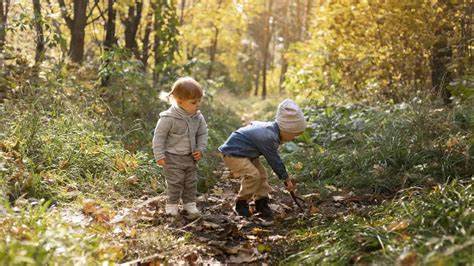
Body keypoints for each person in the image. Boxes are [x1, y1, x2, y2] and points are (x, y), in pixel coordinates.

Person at [219, 99, 306, 218]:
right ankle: (241, 203)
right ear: (286, 129)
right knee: (253, 175)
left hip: (247, 153)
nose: (294, 138)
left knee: (262, 174)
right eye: (294, 134)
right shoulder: (269, 137)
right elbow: (274, 160)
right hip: (233, 153)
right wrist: (286, 178)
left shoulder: (271, 129)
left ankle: (261, 202)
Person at [152, 77, 208, 219]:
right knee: (175, 182)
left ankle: (189, 203)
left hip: (190, 157)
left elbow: (202, 133)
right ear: (179, 102)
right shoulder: (168, 118)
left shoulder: (198, 117)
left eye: (199, 101)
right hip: (172, 157)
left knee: (190, 182)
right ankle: (172, 205)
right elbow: (159, 137)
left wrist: (200, 149)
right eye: (194, 102)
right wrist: (159, 155)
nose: (198, 105)